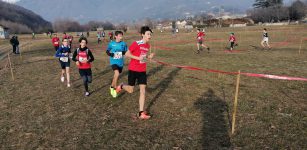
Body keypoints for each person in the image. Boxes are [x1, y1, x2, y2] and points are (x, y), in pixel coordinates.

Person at [116, 26, 155, 120]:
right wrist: (138, 58)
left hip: (142, 71)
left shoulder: (148, 46)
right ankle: (121, 86)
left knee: (142, 91)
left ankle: (141, 112)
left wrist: (149, 57)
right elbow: (127, 54)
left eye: (150, 34)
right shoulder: (136, 43)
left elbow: (144, 58)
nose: (149, 36)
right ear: (143, 35)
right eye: (148, 34)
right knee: (130, 90)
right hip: (133, 70)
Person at [106, 31, 128, 98]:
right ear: (116, 36)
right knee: (117, 73)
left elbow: (126, 52)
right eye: (120, 36)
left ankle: (111, 87)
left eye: (122, 36)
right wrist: (110, 54)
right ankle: (115, 89)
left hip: (120, 63)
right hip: (113, 62)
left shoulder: (124, 44)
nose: (121, 37)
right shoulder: (111, 43)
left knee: (116, 76)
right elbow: (107, 51)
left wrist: (121, 53)